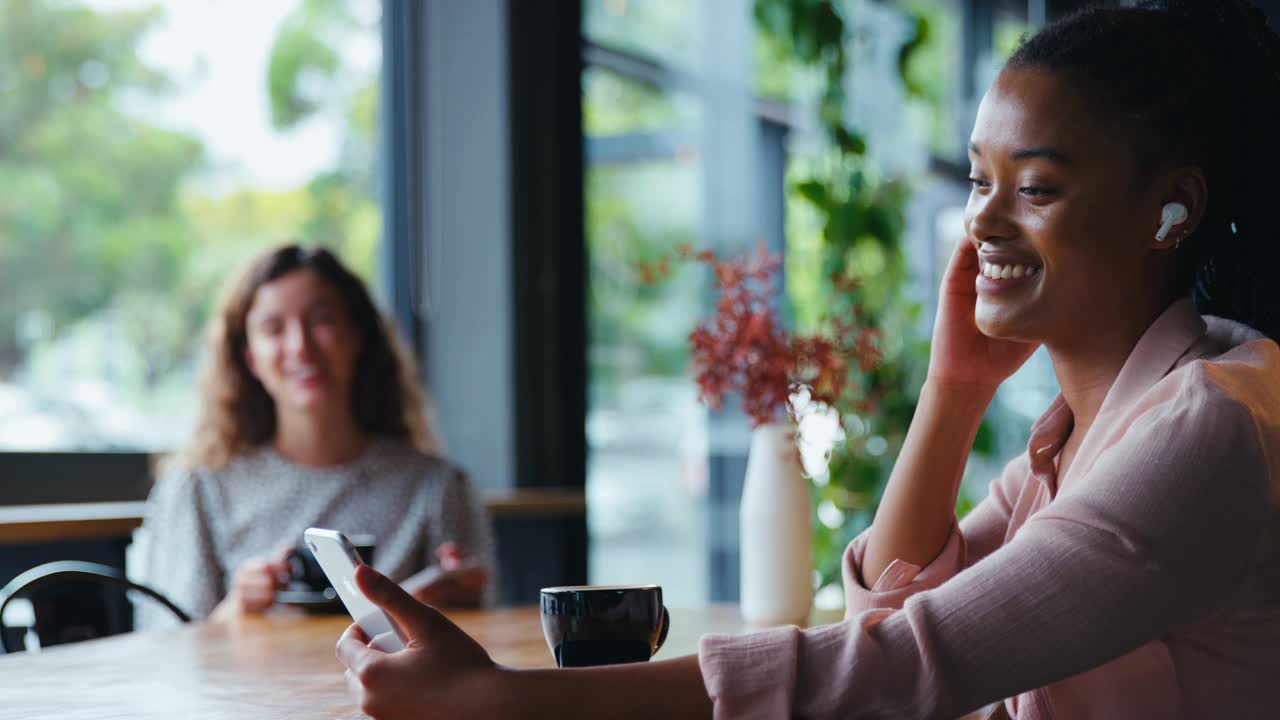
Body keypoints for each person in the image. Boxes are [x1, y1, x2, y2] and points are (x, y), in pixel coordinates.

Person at [333, 1, 1280, 718]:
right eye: (980, 180)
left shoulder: (1209, 429)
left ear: (1174, 208)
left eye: (1036, 187)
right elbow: (887, 618)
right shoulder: (1076, 438)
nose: (983, 221)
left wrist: (508, 702)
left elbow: (907, 663)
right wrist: (952, 392)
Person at [138, 244, 493, 626]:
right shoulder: (198, 488)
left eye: (321, 320)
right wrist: (236, 610)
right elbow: (169, 649)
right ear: (250, 358)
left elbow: (478, 648)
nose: (300, 347)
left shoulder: (436, 486)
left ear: (358, 336)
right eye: (273, 329)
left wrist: (466, 605)